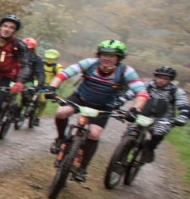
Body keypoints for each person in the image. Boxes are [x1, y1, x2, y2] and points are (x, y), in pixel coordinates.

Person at [46, 39, 148, 182]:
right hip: (81, 97)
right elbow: (64, 74)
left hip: (104, 106)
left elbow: (141, 93)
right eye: (104, 54)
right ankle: (60, 139)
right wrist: (52, 88)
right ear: (99, 54)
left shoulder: (126, 71)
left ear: (119, 58)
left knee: (94, 134)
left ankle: (82, 168)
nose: (107, 58)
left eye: (112, 56)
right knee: (61, 112)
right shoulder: (89, 63)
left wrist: (135, 109)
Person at [136, 66, 189, 163]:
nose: (161, 80)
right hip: (143, 114)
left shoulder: (176, 91)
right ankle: (123, 151)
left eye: (165, 79)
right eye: (159, 77)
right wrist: (119, 102)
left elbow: (183, 105)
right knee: (132, 129)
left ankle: (149, 149)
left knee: (159, 132)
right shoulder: (146, 85)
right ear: (155, 76)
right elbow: (132, 92)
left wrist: (183, 117)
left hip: (163, 119)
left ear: (170, 80)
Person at [35, 48, 62, 118]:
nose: (50, 59)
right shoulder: (41, 63)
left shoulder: (57, 67)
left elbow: (59, 77)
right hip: (37, 82)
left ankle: (38, 116)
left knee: (42, 101)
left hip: (48, 86)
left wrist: (54, 87)